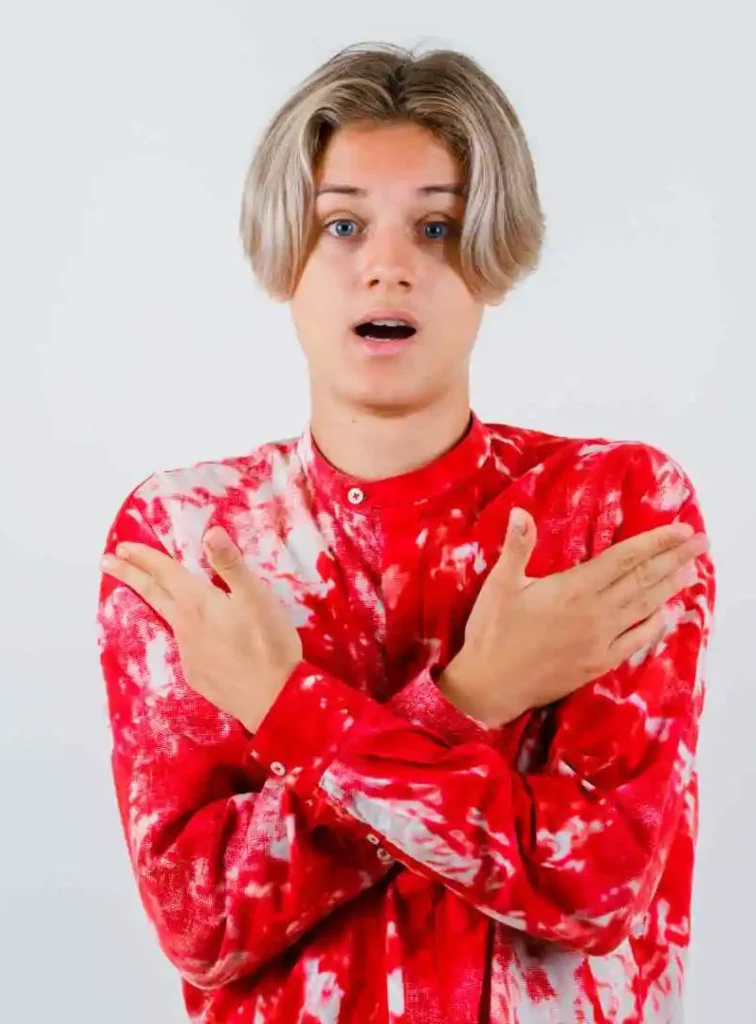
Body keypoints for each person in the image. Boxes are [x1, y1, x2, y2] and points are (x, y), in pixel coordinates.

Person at [96, 43, 715, 1024]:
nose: (387, 265)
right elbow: (204, 923)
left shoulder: (617, 513)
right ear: (284, 259)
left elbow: (595, 884)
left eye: (436, 226)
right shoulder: (188, 541)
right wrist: (477, 696)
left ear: (492, 257)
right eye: (341, 224)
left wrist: (285, 710)